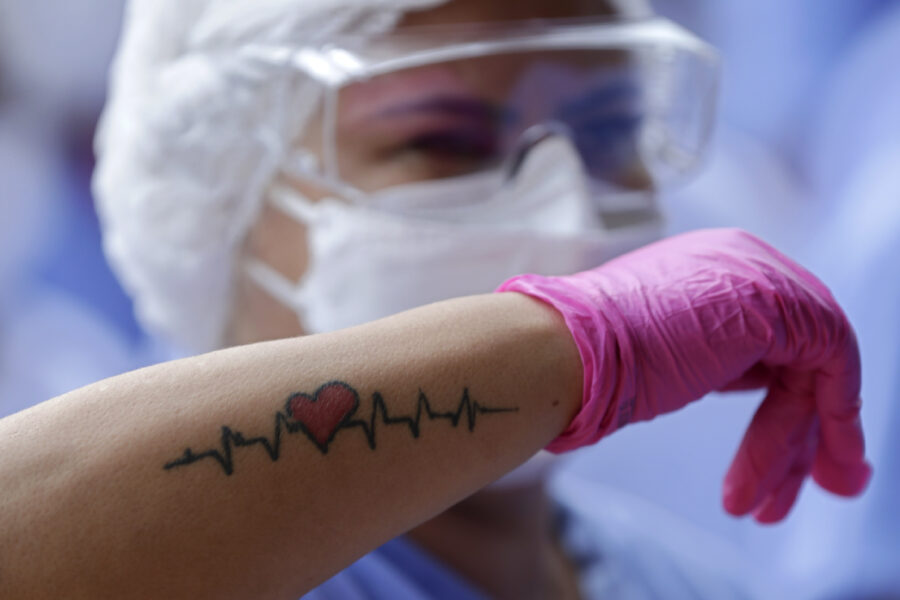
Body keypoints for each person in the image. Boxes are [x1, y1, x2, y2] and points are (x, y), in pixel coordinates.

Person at [0, 0, 872, 598]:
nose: (566, 208)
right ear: (222, 193)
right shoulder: (156, 559)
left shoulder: (676, 579)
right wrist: (576, 345)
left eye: (610, 133)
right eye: (446, 141)